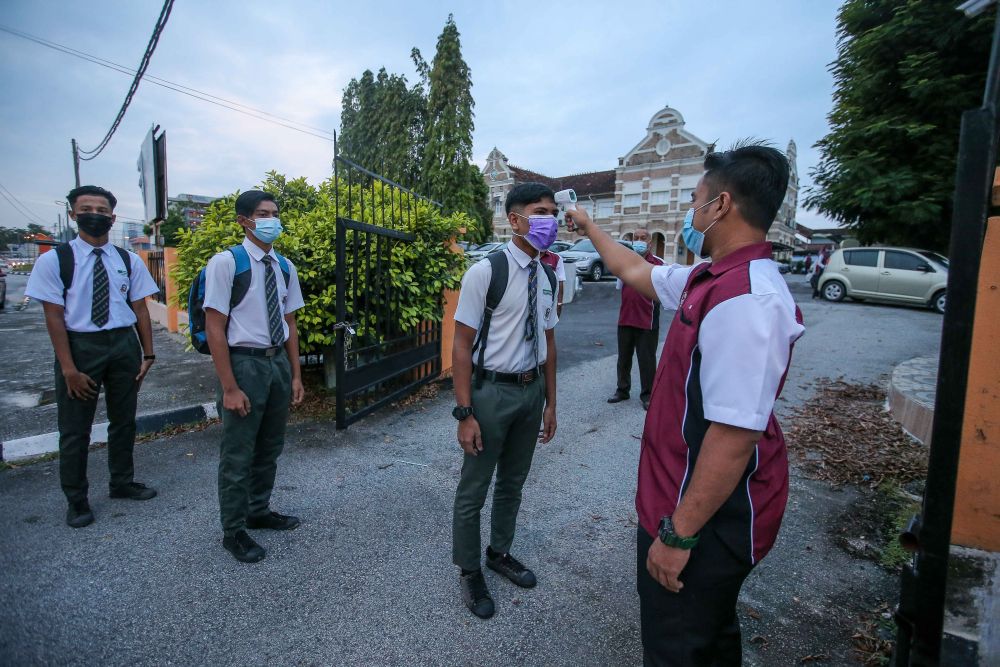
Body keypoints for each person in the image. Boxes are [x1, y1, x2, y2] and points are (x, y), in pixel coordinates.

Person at [567, 141, 804, 666]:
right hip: (675, 498)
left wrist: (679, 536)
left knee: (677, 646)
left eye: (696, 200)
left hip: (706, 522)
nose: (689, 213)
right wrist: (588, 225)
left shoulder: (748, 301)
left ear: (721, 205)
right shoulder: (710, 277)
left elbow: (734, 437)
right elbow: (635, 270)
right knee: (709, 638)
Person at [451, 182, 559, 619]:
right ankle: (470, 568)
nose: (549, 220)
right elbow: (460, 346)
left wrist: (551, 402)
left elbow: (550, 344)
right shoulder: (486, 272)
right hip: (491, 393)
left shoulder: (549, 274)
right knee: (474, 488)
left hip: (531, 393)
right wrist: (464, 412)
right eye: (540, 211)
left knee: (513, 482)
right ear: (515, 220)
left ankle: (499, 552)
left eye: (552, 211)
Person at [25, 185, 160, 528]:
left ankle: (121, 482)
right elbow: (53, 317)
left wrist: (147, 354)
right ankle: (77, 499)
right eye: (87, 208)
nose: (95, 215)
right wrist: (69, 368)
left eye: (102, 210)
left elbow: (141, 310)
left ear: (113, 218)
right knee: (74, 428)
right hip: (80, 345)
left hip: (122, 345)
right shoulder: (55, 260)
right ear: (73, 214)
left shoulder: (127, 260)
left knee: (124, 420)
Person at [203, 190, 306, 563]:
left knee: (269, 446)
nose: (271, 220)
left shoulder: (284, 266)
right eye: (263, 213)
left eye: (275, 213)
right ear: (244, 220)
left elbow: (291, 321)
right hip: (244, 363)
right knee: (238, 451)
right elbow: (215, 326)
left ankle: (258, 510)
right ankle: (233, 530)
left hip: (276, 361)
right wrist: (230, 386)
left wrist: (295, 374)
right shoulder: (227, 263)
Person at [608, 228, 663, 410]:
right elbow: (620, 288)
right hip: (625, 319)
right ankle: (622, 390)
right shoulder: (625, 264)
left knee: (646, 359)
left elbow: (663, 293)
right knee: (623, 358)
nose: (639, 241)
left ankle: (648, 395)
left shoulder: (659, 264)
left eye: (643, 238)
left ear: (650, 243)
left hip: (647, 321)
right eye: (635, 238)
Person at [538, 247, 566, 317]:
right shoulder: (528, 256)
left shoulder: (556, 258)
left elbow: (560, 282)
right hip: (528, 300)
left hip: (548, 301)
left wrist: (559, 303)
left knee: (548, 326)